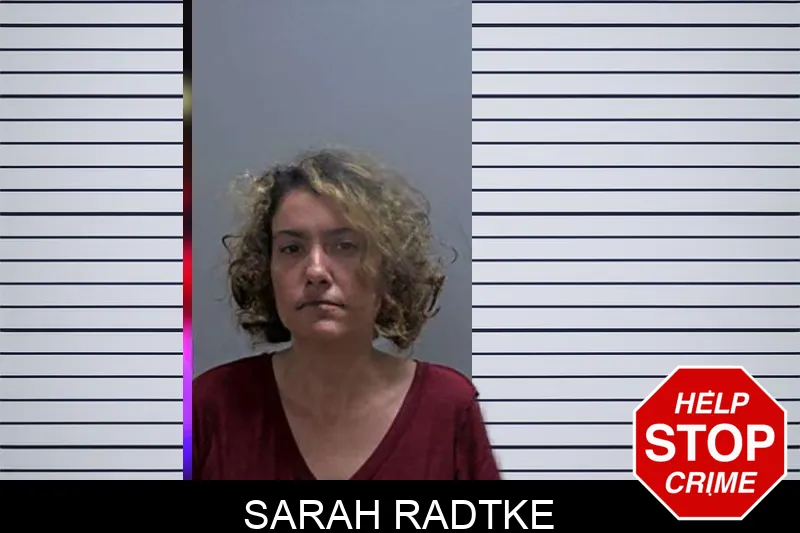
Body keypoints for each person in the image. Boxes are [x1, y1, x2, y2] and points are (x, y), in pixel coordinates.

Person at [192, 147, 500, 480]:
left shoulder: (447, 407)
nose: (316, 271)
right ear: (266, 270)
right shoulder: (212, 405)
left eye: (345, 246)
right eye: (292, 248)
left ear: (388, 270)